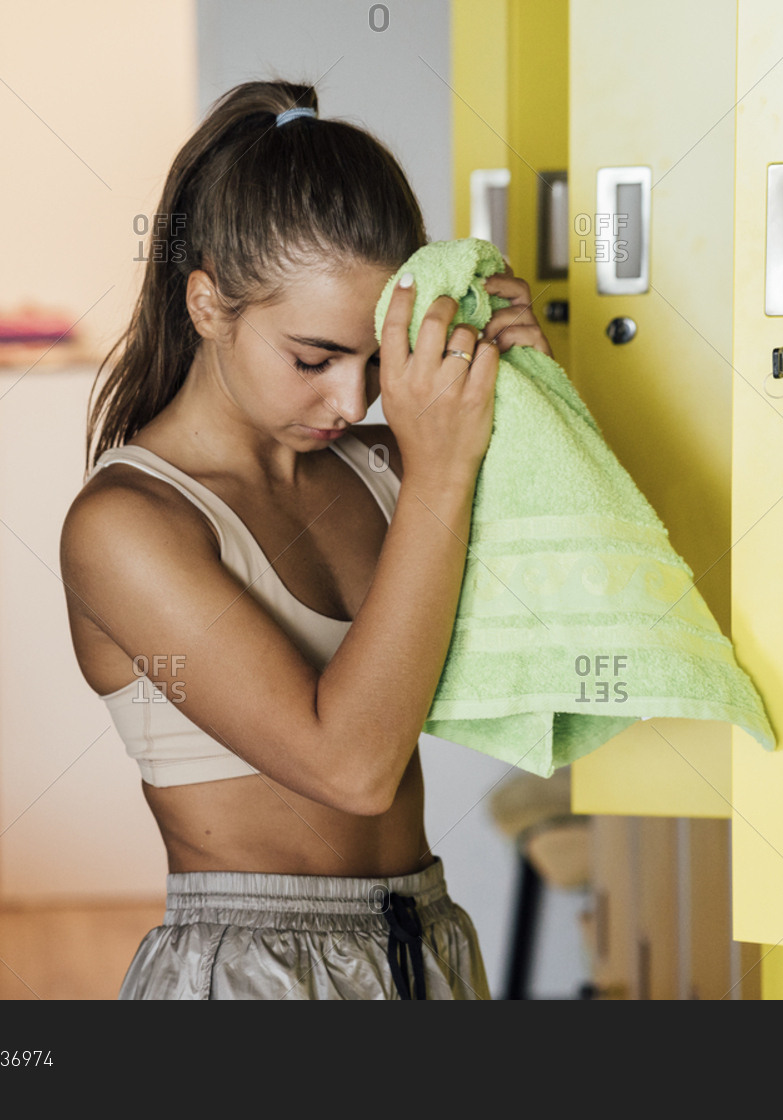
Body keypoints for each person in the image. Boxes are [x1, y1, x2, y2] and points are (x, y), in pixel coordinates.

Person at [60, 80, 553, 1000]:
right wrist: (442, 470)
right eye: (314, 358)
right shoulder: (127, 526)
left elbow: (570, 619)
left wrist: (526, 398)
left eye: (376, 358)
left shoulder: (380, 468)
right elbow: (351, 767)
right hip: (254, 974)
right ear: (208, 305)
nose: (353, 400)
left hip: (427, 941)